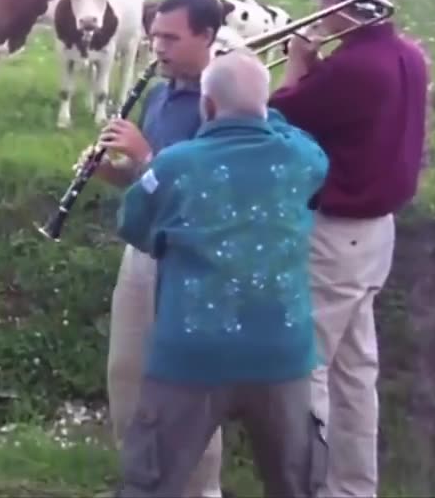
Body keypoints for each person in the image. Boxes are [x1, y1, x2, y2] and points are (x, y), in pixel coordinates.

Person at [113, 50, 331, 498]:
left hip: (193, 351)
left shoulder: (175, 165)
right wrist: (263, 108)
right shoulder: (303, 157)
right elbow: (302, 145)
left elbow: (132, 224)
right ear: (264, 106)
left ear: (207, 106)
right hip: (282, 353)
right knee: (294, 484)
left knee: (153, 483)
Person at [269, 0, 430, 498]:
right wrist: (317, 69)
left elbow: (280, 121)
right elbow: (340, 118)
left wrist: (296, 64)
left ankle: (311, 487)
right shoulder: (406, 55)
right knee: (356, 372)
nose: (315, 8)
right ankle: (354, 489)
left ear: (337, 0)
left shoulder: (355, 65)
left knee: (305, 366)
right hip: (376, 232)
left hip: (336, 234)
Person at [92, 0, 227, 498]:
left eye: (171, 38)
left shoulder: (227, 98)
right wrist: (114, 171)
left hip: (195, 260)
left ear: (207, 36)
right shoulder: (159, 93)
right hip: (145, 249)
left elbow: (212, 191)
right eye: (153, 38)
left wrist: (146, 155)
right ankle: (141, 483)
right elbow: (148, 182)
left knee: (193, 389)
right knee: (127, 374)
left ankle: (198, 490)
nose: (159, 49)